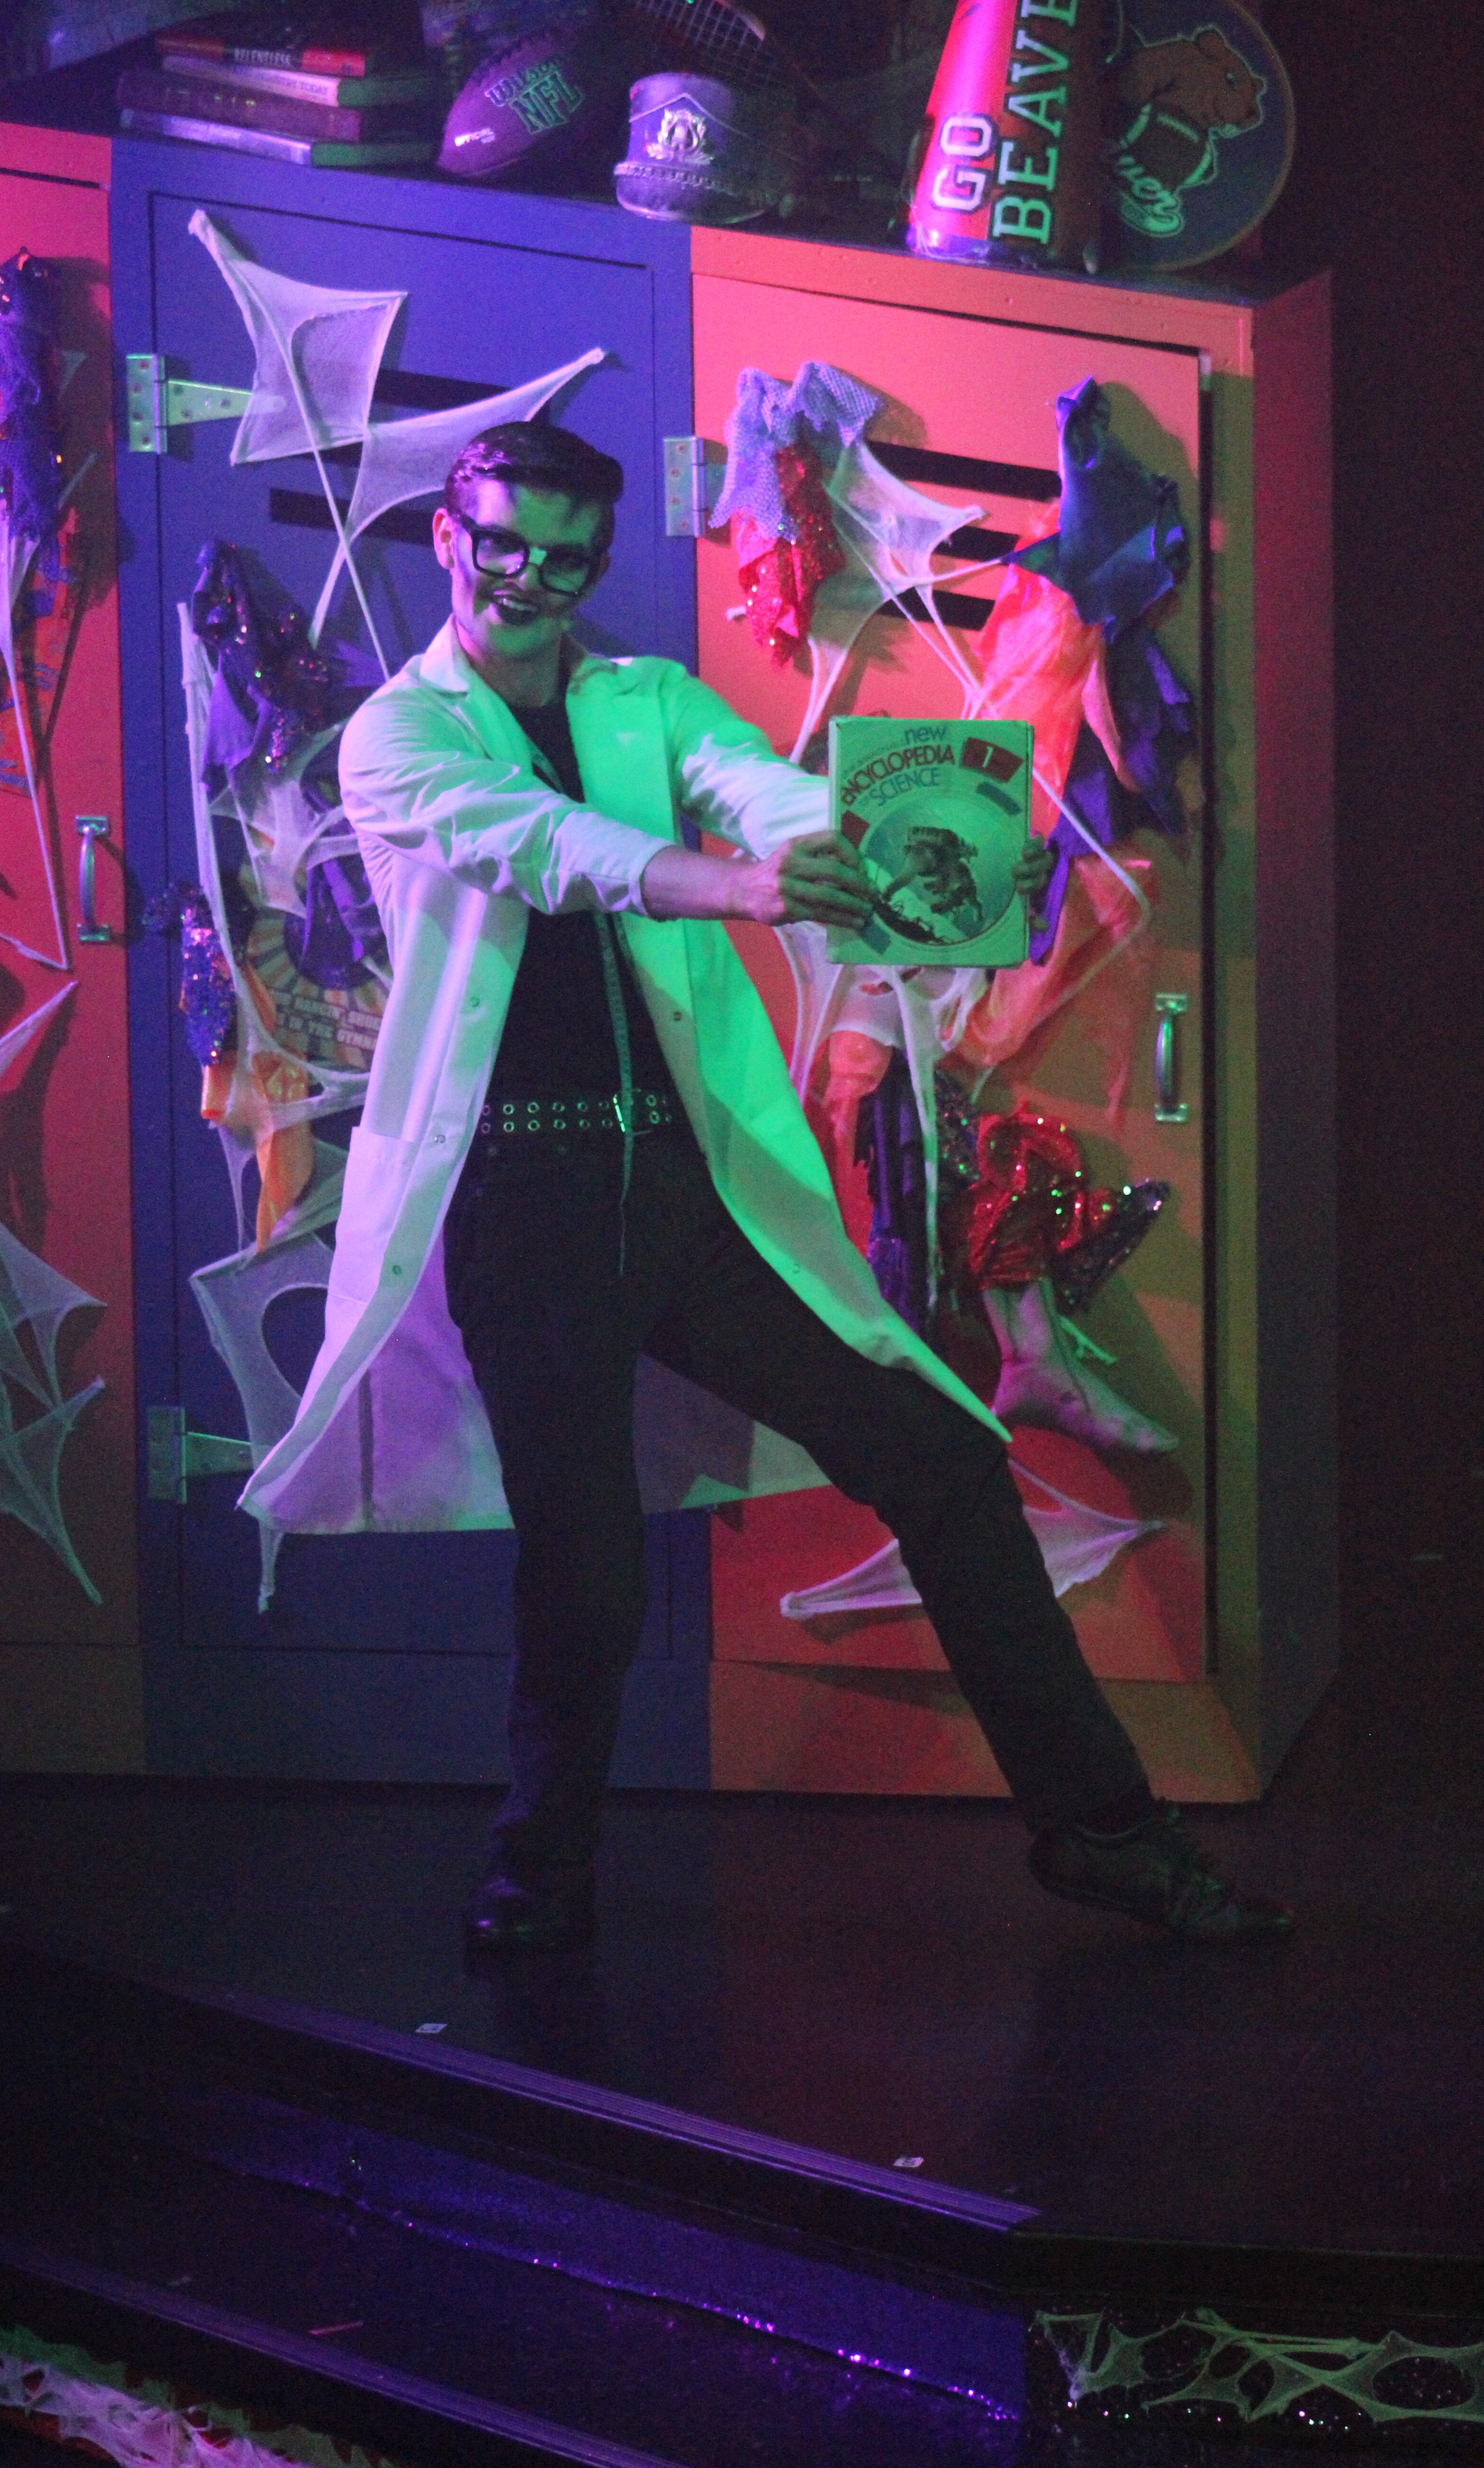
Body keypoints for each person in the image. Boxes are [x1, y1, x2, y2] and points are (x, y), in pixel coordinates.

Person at [250, 421, 1291, 1958]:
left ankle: (1105, 1835)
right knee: (588, 1570)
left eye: (566, 555)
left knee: (942, 1456)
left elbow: (763, 792)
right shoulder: (399, 736)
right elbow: (544, 849)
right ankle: (539, 1874)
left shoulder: (643, 698)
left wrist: (898, 847)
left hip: (683, 1188)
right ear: (450, 538)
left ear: (599, 562)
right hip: (524, 1198)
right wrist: (731, 885)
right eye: (503, 543)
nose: (529, 577)